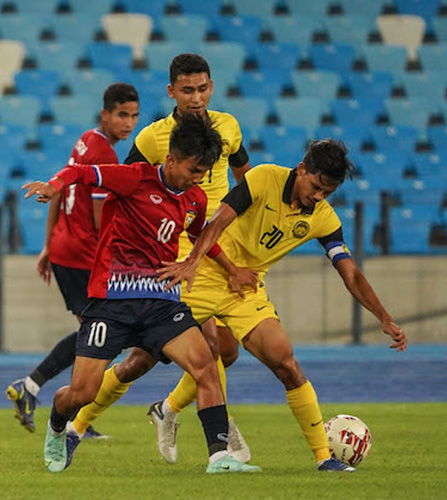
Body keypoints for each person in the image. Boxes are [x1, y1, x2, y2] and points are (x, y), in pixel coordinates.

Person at [70, 139, 409, 472]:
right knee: (139, 362)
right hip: (201, 274)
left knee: (285, 362)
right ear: (303, 169)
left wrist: (383, 317)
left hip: (245, 287)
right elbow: (215, 222)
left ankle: (324, 457)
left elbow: (348, 272)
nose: (318, 197)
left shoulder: (323, 218)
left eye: (328, 193)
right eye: (317, 186)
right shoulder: (264, 178)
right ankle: (77, 427)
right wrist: (191, 262)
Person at [23, 113, 261, 474]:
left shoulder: (194, 199)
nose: (197, 179)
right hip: (111, 302)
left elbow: (201, 238)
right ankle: (58, 425)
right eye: (193, 169)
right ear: (170, 160)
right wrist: (55, 185)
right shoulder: (133, 177)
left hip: (160, 303)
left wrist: (226, 269)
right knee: (82, 392)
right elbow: (83, 174)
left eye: (203, 173)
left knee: (206, 367)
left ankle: (219, 457)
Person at [69, 53, 254, 461]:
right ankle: (222, 444)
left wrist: (245, 228)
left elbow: (246, 178)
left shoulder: (230, 127)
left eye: (203, 88)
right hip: (171, 258)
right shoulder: (154, 137)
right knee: (203, 352)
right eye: (187, 90)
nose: (196, 97)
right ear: (172, 91)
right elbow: (129, 187)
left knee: (218, 352)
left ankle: (163, 410)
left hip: (217, 247)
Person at [6, 83, 140, 436]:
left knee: (93, 333)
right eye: (122, 115)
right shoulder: (105, 154)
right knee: (100, 335)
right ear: (105, 114)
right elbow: (101, 219)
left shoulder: (85, 140)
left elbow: (60, 189)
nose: (129, 123)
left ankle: (41, 394)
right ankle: (56, 406)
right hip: (83, 256)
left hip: (66, 249)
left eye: (134, 116)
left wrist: (49, 244)